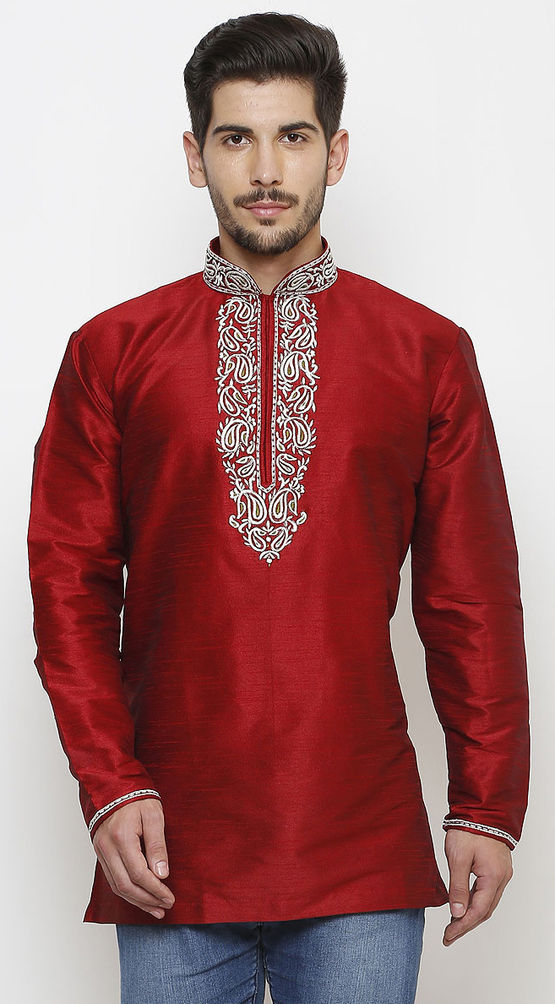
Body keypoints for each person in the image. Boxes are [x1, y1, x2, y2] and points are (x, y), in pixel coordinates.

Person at [27, 11, 530, 1004]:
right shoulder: (112, 352)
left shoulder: (424, 352)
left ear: (334, 153)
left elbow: (472, 598)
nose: (265, 169)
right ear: (194, 156)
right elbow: (68, 589)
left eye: (293, 137)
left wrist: (488, 802)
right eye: (235, 138)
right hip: (168, 841)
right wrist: (110, 784)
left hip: (359, 844)